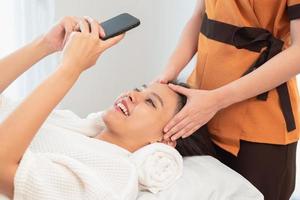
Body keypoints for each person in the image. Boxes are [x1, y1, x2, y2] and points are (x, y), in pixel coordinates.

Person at [0, 16, 214, 199]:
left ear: (165, 139)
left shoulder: (114, 178)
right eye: (139, 89)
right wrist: (44, 44)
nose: (133, 95)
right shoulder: (73, 126)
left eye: (150, 102)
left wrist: (71, 68)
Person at [157, 0, 300, 199]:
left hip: (257, 128)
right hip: (198, 114)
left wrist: (216, 101)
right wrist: (165, 77)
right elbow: (201, 16)